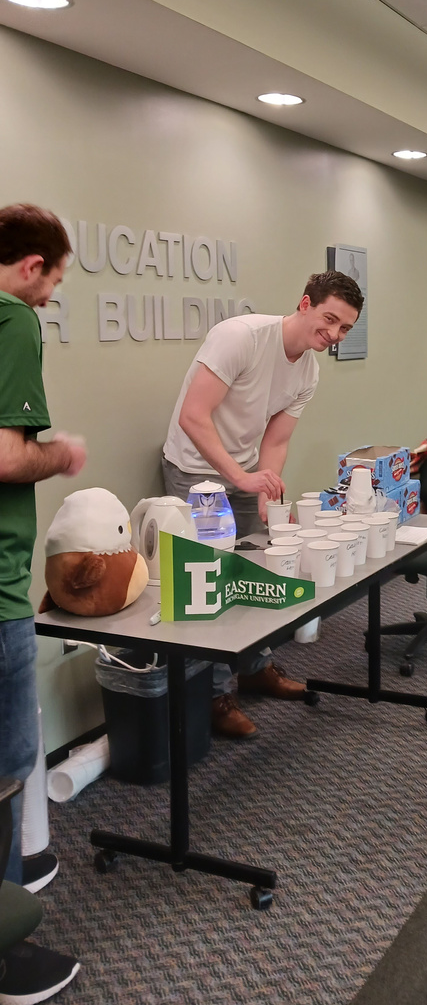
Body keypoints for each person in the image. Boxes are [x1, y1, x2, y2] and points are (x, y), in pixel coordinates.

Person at [162, 270, 363, 738]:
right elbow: (194, 416)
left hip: (244, 472)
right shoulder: (241, 337)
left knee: (256, 571)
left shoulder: (308, 370)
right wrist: (238, 476)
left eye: (345, 328)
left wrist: (270, 490)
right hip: (196, 473)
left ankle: (254, 667)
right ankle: (213, 695)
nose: (333, 335)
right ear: (304, 303)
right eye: (329, 319)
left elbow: (277, 441)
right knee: (208, 585)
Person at [0, 203, 85, 1002]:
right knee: (8, 760)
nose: (46, 301)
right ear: (32, 268)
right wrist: (61, 454)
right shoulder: (14, 321)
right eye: (52, 287)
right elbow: (7, 456)